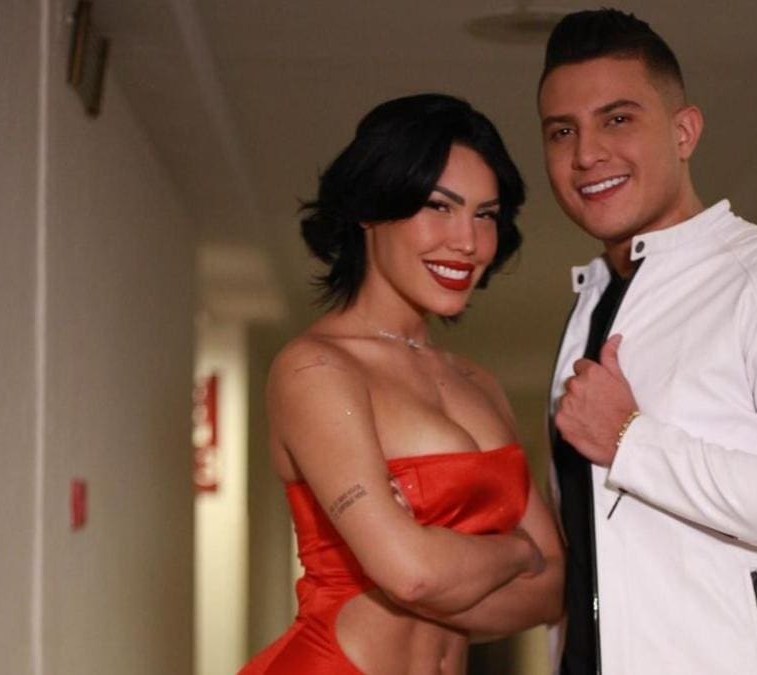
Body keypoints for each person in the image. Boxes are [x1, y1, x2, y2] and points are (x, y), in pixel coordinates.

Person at [537, 10, 757, 675]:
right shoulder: (592, 303)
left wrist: (632, 440)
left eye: (617, 119)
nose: (586, 154)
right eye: (562, 131)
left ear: (684, 131)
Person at [241, 93, 563, 675]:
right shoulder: (315, 369)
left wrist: (438, 565)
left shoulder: (479, 384)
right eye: (439, 206)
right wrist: (517, 553)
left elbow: (553, 590)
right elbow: (412, 575)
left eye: (486, 215)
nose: (468, 241)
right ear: (370, 207)